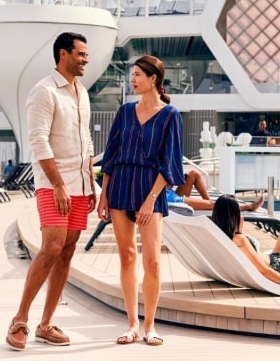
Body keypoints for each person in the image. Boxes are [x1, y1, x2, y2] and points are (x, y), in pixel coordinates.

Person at [6, 32, 96, 351]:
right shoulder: (43, 91)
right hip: (53, 184)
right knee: (52, 247)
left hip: (82, 185)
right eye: (81, 54)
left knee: (69, 250)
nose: (86, 59)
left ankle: (46, 324)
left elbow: (86, 140)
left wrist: (90, 180)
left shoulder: (81, 92)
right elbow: (39, 141)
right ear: (63, 54)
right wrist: (58, 184)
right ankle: (19, 320)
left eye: (87, 54)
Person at [96, 55, 184, 346]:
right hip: (121, 185)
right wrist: (104, 194)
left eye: (137, 75)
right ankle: (131, 324)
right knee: (126, 257)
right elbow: (110, 155)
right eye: (131, 75)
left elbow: (170, 163)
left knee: (154, 262)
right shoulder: (124, 112)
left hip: (151, 189)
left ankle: (151, 326)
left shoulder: (170, 115)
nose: (132, 80)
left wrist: (150, 200)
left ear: (153, 80)